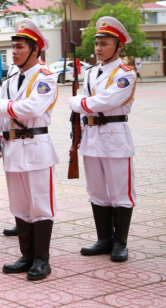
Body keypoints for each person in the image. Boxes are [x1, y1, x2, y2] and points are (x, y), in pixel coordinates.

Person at [0, 18, 59, 280]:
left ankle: (42, 259)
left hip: (35, 146)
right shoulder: (10, 79)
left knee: (40, 204)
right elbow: (4, 119)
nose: (15, 52)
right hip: (12, 147)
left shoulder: (45, 78)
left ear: (35, 50)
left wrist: (0, 106)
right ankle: (26, 255)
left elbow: (31, 108)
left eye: (20, 47)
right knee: (20, 205)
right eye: (13, 47)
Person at [70, 16, 137, 263]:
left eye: (105, 43)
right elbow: (90, 103)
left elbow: (105, 101)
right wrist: (82, 105)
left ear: (118, 46)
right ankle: (104, 239)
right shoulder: (91, 73)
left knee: (121, 191)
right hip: (92, 137)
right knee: (97, 191)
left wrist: (79, 103)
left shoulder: (125, 74)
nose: (98, 48)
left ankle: (120, 243)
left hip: (115, 136)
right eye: (97, 43)